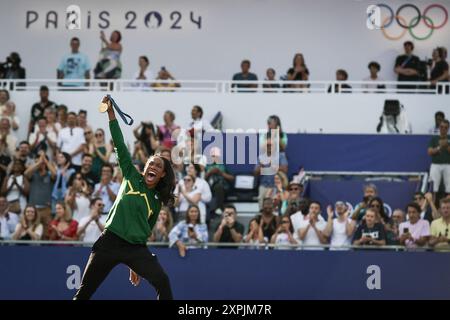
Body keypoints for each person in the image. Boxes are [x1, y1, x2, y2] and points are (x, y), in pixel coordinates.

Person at [74, 96, 176, 300]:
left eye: (158, 166)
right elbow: (119, 143)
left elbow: (145, 230)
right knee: (84, 293)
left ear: (163, 174)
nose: (153, 166)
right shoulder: (130, 174)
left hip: (135, 250)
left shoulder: (156, 201)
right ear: (145, 166)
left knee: (163, 281)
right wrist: (111, 113)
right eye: (151, 163)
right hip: (109, 241)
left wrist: (134, 264)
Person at [24, 152, 56, 239]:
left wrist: (45, 161)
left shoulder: (49, 175)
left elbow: (55, 174)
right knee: (33, 231)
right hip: (33, 208)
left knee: (47, 232)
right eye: (37, 162)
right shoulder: (33, 175)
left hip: (46, 208)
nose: (40, 164)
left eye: (42, 162)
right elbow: (26, 173)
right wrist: (38, 162)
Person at [205, 147, 234, 215]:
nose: (215, 157)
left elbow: (232, 178)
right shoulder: (206, 165)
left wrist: (221, 173)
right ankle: (220, 208)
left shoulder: (224, 165)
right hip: (209, 187)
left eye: (216, 155)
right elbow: (202, 179)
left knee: (218, 187)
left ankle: (219, 208)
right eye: (213, 155)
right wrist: (210, 173)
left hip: (223, 186)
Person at [428, 119, 450, 197]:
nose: (443, 129)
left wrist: (447, 145)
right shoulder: (434, 138)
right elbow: (430, 152)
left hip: (448, 165)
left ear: (448, 128)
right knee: (434, 187)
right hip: (435, 165)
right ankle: (432, 203)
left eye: (445, 127)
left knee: (449, 187)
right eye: (441, 127)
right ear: (439, 128)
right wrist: (439, 147)